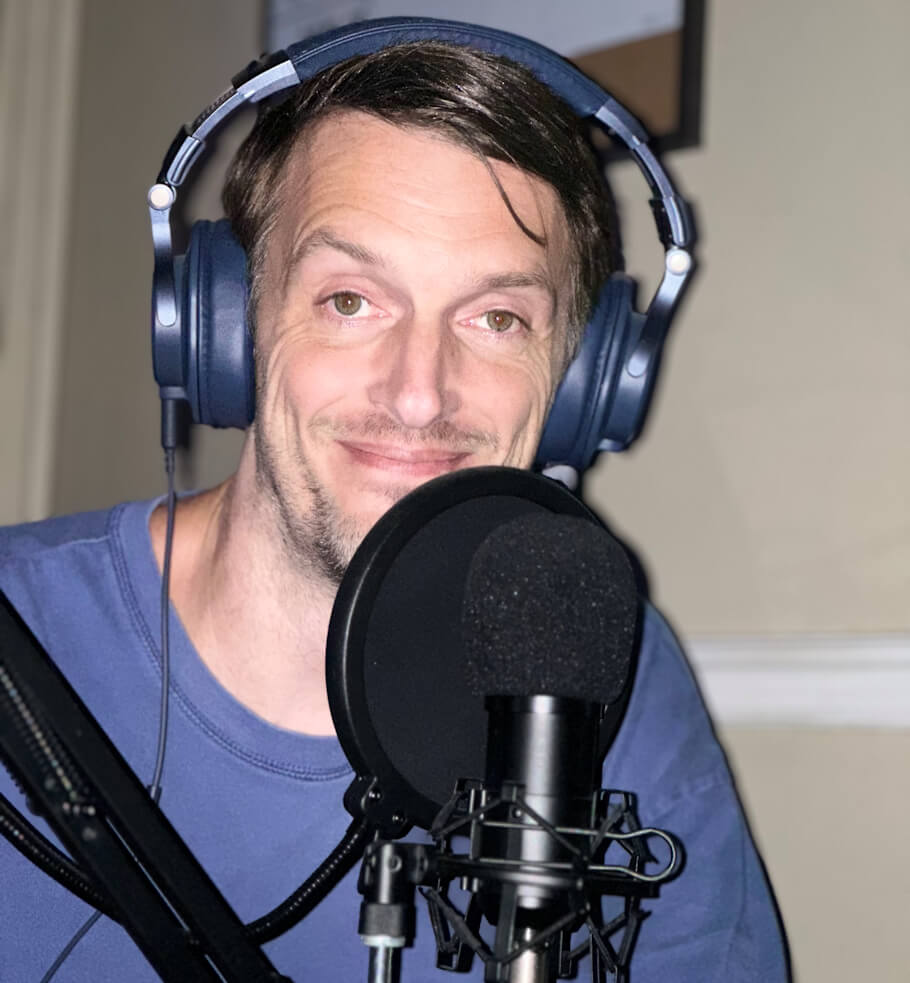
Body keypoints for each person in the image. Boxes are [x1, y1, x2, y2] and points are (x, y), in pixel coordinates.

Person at [0, 37, 788, 982]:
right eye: (349, 300)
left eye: (496, 319)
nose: (420, 394)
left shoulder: (590, 658)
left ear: (579, 387)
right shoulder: (21, 636)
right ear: (222, 327)